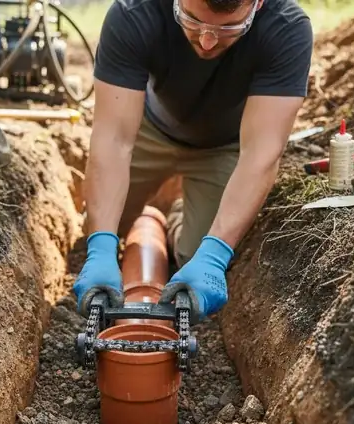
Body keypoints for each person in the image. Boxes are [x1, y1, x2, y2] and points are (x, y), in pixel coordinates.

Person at [73, 0, 313, 322]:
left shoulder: (286, 28)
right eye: (191, 20)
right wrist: (102, 247)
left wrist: (214, 255)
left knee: (193, 261)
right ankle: (133, 226)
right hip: (148, 132)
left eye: (229, 28)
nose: (207, 41)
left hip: (224, 147)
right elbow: (113, 141)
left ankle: (177, 215)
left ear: (258, 4)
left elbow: (260, 155)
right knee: (100, 228)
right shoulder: (134, 13)